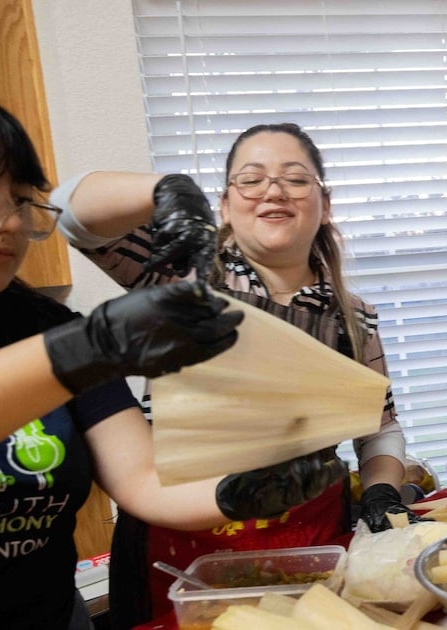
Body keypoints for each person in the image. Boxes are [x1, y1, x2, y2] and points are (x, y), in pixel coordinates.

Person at [0, 78, 347, 630]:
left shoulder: (47, 327)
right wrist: (166, 187)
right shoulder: (83, 337)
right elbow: (76, 211)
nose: (12, 222)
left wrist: (240, 495)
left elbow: (141, 477)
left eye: (20, 198)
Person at [50, 122, 422, 627]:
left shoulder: (351, 318)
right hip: (185, 538)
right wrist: (164, 190)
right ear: (225, 205)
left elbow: (379, 429)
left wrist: (382, 487)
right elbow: (70, 212)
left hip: (309, 536)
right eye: (251, 179)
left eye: (296, 179)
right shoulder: (179, 276)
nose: (274, 190)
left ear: (324, 204)